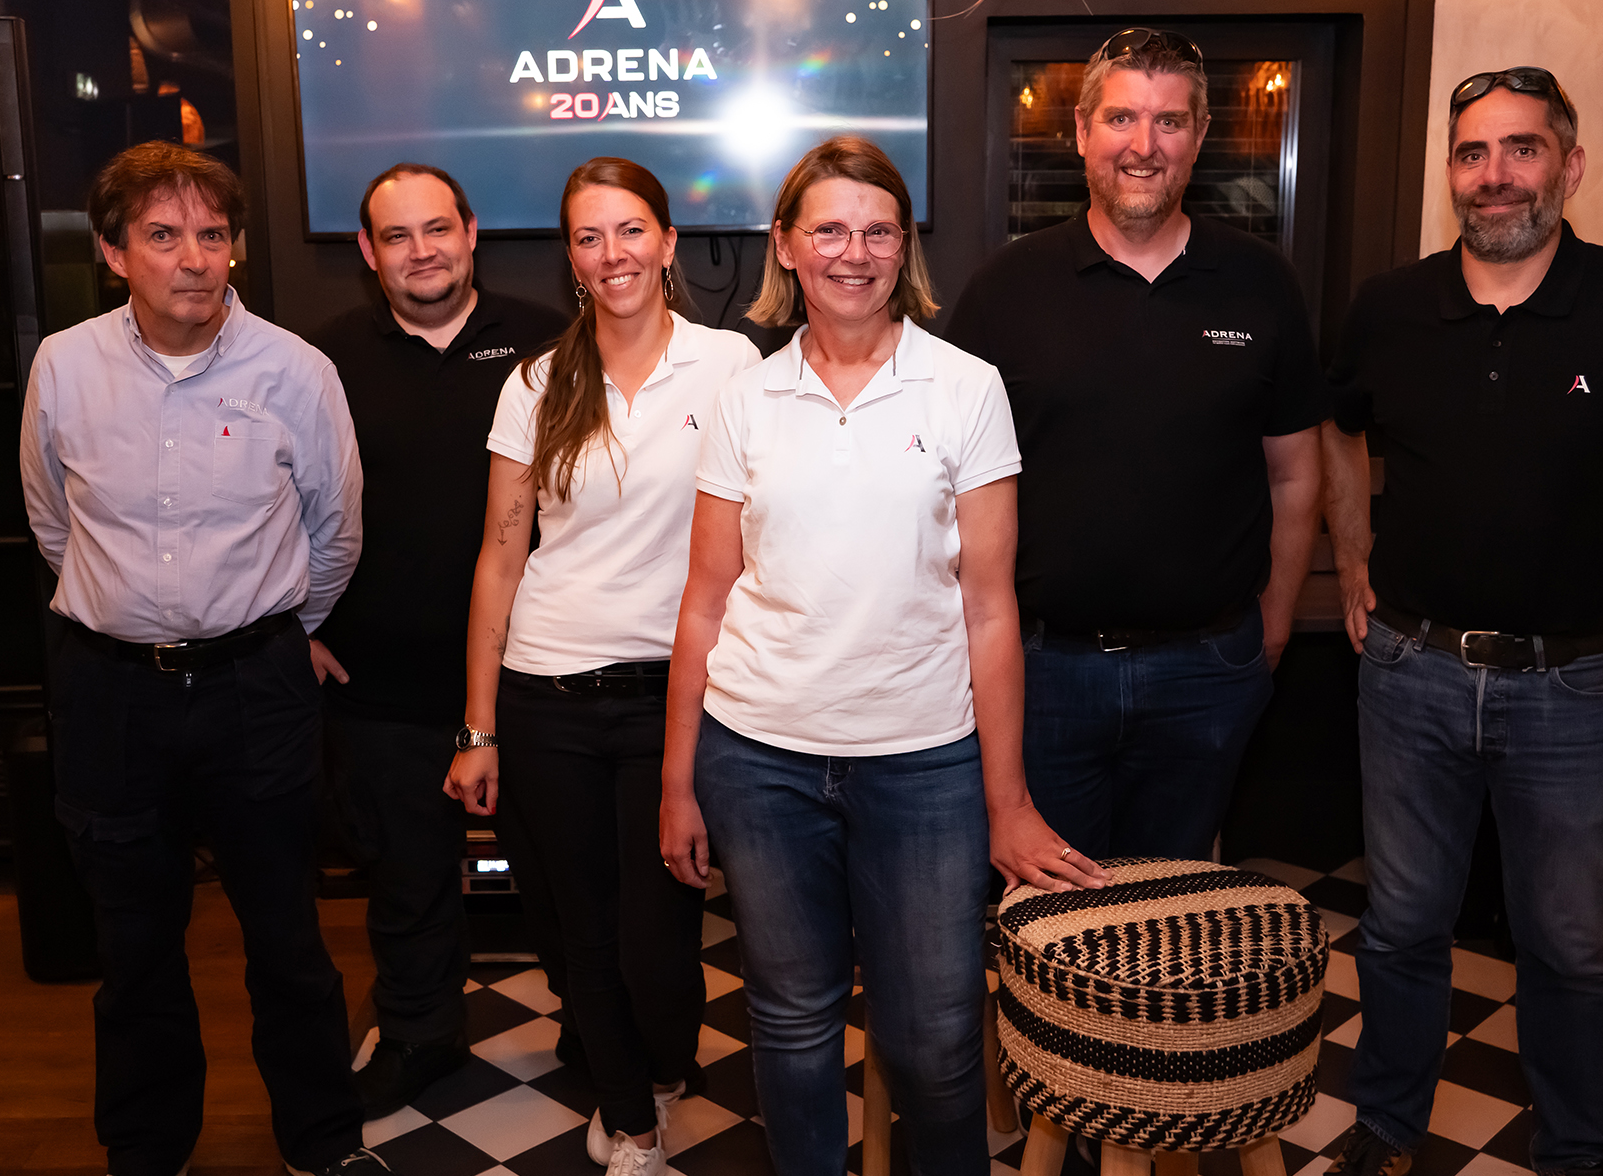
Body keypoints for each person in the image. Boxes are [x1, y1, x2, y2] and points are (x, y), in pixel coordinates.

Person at [1320, 67, 1603, 1176]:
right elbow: (1337, 429)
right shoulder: (1389, 307)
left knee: (1570, 946)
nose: (1495, 175)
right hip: (1411, 673)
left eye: (1521, 149)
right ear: (1449, 174)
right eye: (1472, 153)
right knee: (1400, 926)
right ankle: (1386, 1127)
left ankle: (1578, 1146)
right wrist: (1352, 553)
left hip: (1577, 688)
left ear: (1570, 167)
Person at [659, 135, 1105, 1176]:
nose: (852, 253)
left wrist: (1007, 800)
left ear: (904, 246)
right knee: (790, 1020)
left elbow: (990, 609)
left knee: (936, 1041)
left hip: (924, 765)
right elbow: (705, 599)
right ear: (785, 245)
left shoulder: (964, 388)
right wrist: (680, 782)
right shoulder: (746, 398)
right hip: (758, 760)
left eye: (876, 231)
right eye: (828, 230)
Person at [18, 141, 381, 1176]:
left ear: (235, 248)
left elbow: (335, 533)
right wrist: (137, 613)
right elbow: (53, 522)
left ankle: (321, 1143)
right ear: (113, 254)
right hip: (111, 694)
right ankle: (147, 1149)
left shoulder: (296, 371)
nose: (193, 258)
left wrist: (277, 630)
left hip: (254, 690)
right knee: (133, 946)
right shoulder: (63, 366)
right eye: (163, 235)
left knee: (287, 937)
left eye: (212, 234)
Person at [443, 157, 759, 1174]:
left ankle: (656, 1063)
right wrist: (479, 726)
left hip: (680, 695)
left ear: (667, 243)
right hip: (548, 695)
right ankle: (631, 1120)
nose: (611, 254)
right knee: (580, 929)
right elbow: (500, 558)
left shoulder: (731, 365)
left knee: (658, 938)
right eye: (589, 237)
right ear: (571, 258)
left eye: (630, 231)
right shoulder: (536, 382)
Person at [944, 27, 1327, 865]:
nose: (1143, 146)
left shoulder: (1262, 283)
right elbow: (948, 485)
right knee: (1052, 914)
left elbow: (1296, 474)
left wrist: (1268, 629)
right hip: (1045, 673)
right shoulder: (1006, 289)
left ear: (1200, 135)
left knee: (1175, 910)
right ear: (1082, 133)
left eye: (1169, 121)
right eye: (1121, 118)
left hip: (1208, 670)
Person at [304, 163, 567, 1117]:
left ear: (471, 231)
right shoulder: (322, 361)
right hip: (381, 681)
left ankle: (599, 1034)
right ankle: (420, 1035)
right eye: (397, 235)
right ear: (368, 251)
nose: (422, 251)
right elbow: (272, 496)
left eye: (438, 228)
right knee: (407, 882)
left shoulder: (551, 341)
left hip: (536, 674)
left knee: (566, 878)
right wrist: (297, 623)